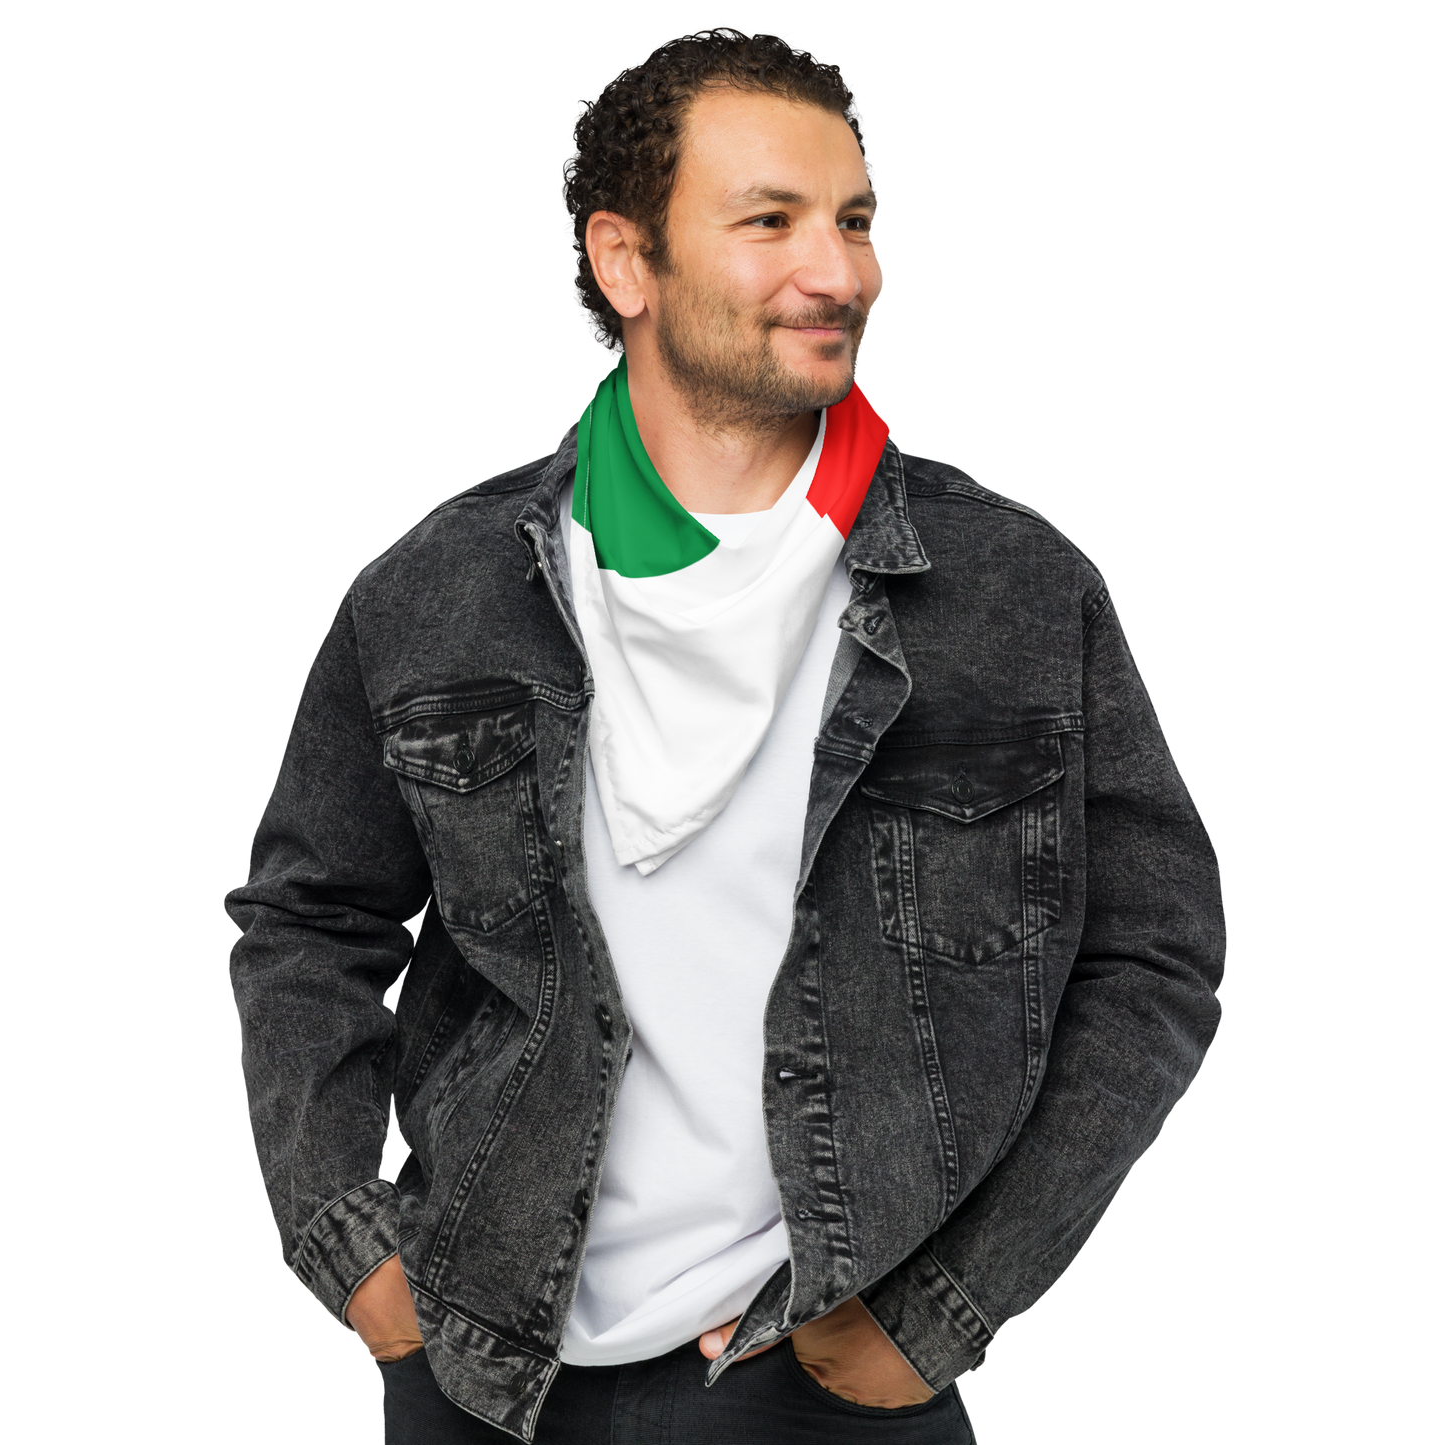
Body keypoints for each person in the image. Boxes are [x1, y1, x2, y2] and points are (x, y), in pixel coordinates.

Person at [223, 17, 1227, 1443]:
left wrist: (942, 1310)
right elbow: (310, 925)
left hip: (825, 1377)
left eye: (856, 221)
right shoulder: (433, 594)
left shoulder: (1015, 587)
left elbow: (1155, 953)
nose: (842, 272)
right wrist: (355, 1254)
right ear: (626, 261)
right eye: (772, 221)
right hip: (481, 1373)